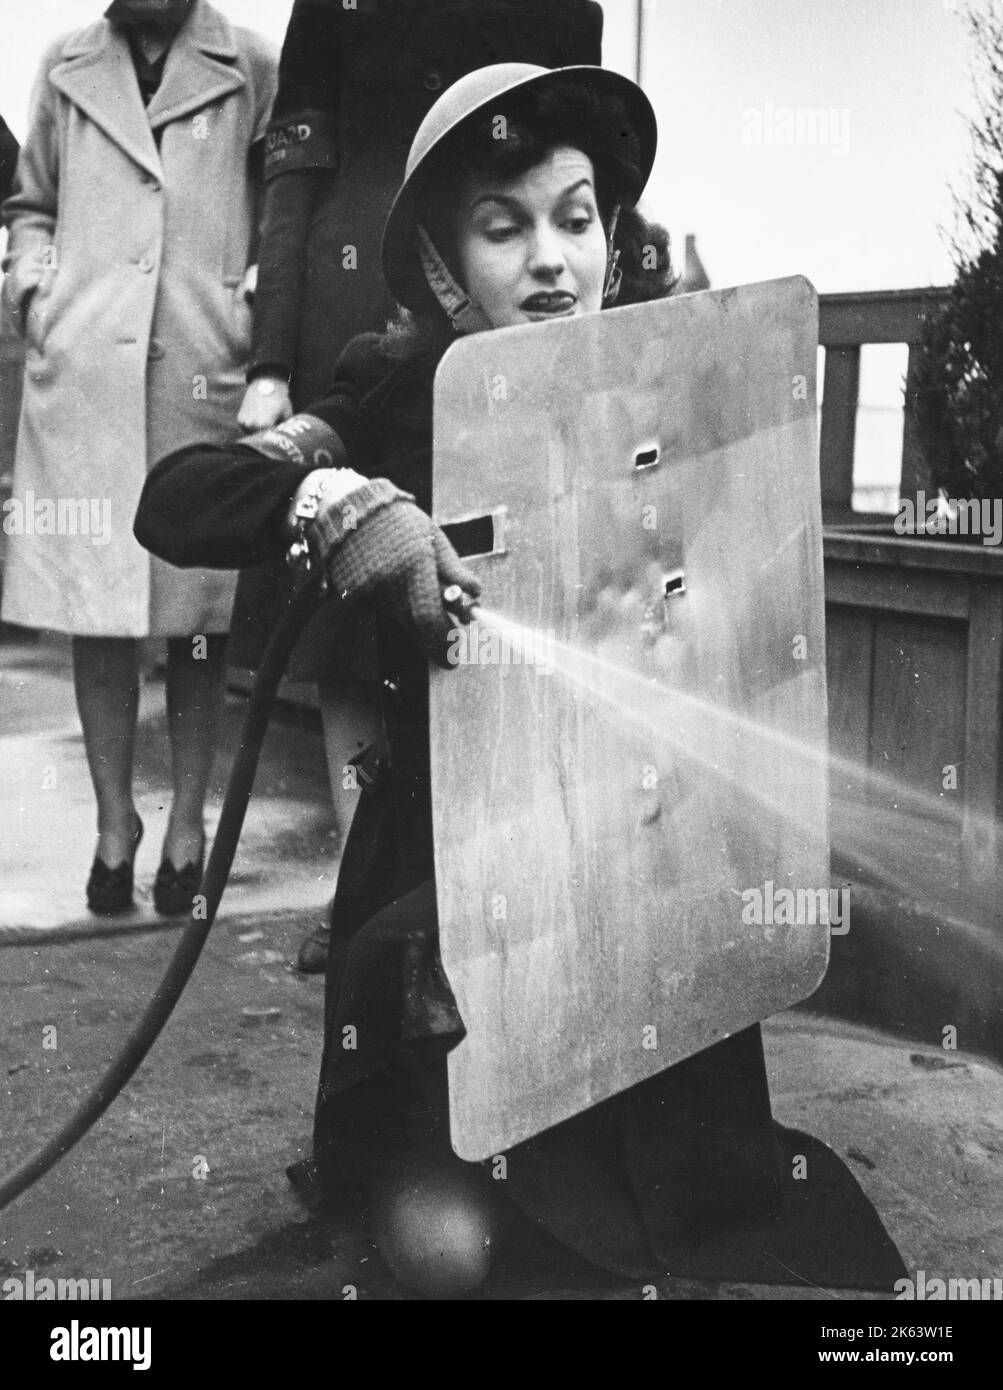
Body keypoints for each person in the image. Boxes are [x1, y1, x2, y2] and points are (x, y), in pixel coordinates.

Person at [135, 64, 905, 1298]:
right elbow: (172, 499)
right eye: (505, 227)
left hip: (634, 872)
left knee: (702, 1222)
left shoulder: (655, 383)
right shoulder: (391, 391)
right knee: (449, 1257)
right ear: (444, 266)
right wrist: (333, 499)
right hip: (450, 899)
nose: (552, 258)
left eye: (576, 215)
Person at [230, 0, 605, 973]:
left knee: (495, 583)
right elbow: (291, 179)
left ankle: (508, 882)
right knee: (347, 620)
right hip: (354, 300)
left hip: (505, 305)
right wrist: (272, 358)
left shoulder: (568, 6)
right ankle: (369, 894)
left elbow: (580, 181)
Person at [1, 1, 276, 915]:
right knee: (95, 605)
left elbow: (281, 201)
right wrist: (33, 281)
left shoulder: (249, 64)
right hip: (83, 368)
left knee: (199, 607)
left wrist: (253, 299)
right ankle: (114, 827)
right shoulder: (64, 64)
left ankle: (188, 826)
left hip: (199, 365)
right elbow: (31, 202)